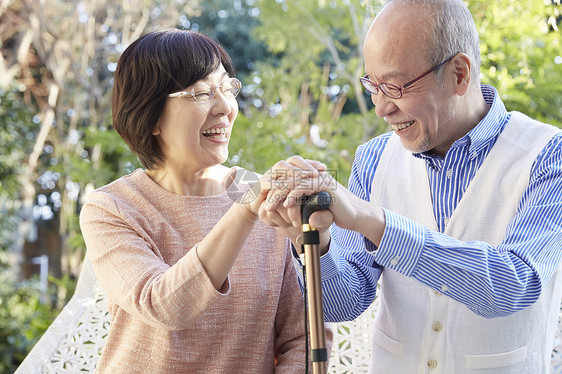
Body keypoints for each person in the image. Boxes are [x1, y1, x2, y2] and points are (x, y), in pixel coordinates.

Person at [260, 0, 562, 372]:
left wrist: (371, 220)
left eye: (395, 86)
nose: (381, 108)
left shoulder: (549, 154)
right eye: (373, 86)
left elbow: (513, 283)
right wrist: (315, 245)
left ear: (459, 74)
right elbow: (345, 303)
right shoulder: (373, 158)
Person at [79, 29, 325, 374]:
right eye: (201, 93)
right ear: (151, 117)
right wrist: (244, 210)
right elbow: (162, 305)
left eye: (227, 88)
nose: (225, 107)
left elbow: (304, 334)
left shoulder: (259, 192)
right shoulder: (113, 208)